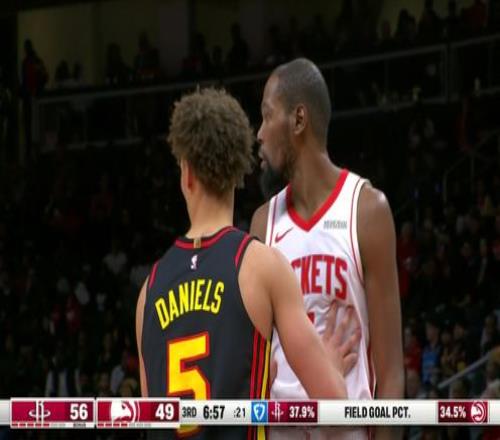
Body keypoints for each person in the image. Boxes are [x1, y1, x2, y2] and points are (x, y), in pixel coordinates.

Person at [136, 88, 360, 439]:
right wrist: (329, 368)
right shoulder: (261, 266)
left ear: (187, 174)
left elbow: (154, 419)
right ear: (237, 172)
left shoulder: (148, 291)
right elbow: (336, 409)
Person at [250, 58, 404, 439]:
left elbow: (390, 373)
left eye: (267, 116)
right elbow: (255, 368)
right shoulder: (262, 224)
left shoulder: (366, 210)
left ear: (298, 120)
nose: (259, 134)